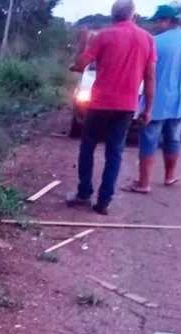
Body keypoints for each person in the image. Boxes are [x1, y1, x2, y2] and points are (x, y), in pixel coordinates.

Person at [66, 0, 157, 215]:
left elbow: (79, 66)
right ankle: (104, 202)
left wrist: (82, 44)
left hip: (100, 104)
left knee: (88, 145)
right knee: (115, 151)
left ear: (112, 16)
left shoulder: (104, 36)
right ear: (133, 16)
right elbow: (150, 77)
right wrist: (148, 109)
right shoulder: (147, 39)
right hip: (127, 106)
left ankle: (83, 193)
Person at [123, 5, 181, 193]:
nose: (156, 25)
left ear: (167, 20)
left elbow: (144, 72)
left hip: (156, 101)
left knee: (149, 139)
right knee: (174, 139)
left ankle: (143, 183)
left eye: (158, 21)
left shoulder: (155, 42)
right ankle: (169, 176)